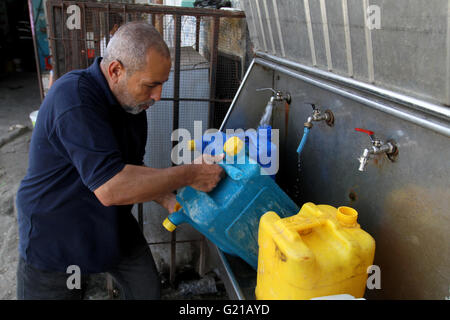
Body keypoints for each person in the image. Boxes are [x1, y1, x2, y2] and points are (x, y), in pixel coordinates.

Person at [15, 22, 224, 300]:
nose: (158, 96)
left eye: (162, 84)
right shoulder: (74, 97)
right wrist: (191, 174)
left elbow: (130, 171)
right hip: (58, 235)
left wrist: (170, 198)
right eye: (151, 85)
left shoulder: (133, 105)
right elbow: (112, 187)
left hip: (110, 227)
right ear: (116, 71)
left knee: (147, 291)